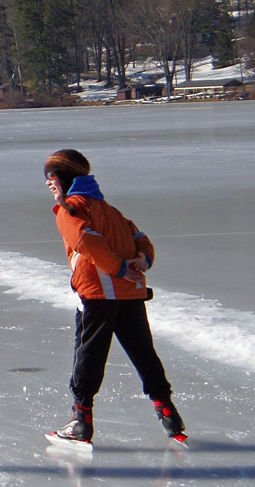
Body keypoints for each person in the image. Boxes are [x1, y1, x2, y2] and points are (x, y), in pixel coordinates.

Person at [43, 149, 186, 445]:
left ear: (60, 178)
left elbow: (86, 242)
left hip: (98, 293)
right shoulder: (111, 211)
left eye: (50, 177)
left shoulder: (71, 208)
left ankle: (81, 420)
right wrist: (143, 261)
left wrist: (120, 268)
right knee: (143, 353)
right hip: (129, 294)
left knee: (89, 353)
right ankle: (169, 413)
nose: (48, 184)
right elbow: (141, 240)